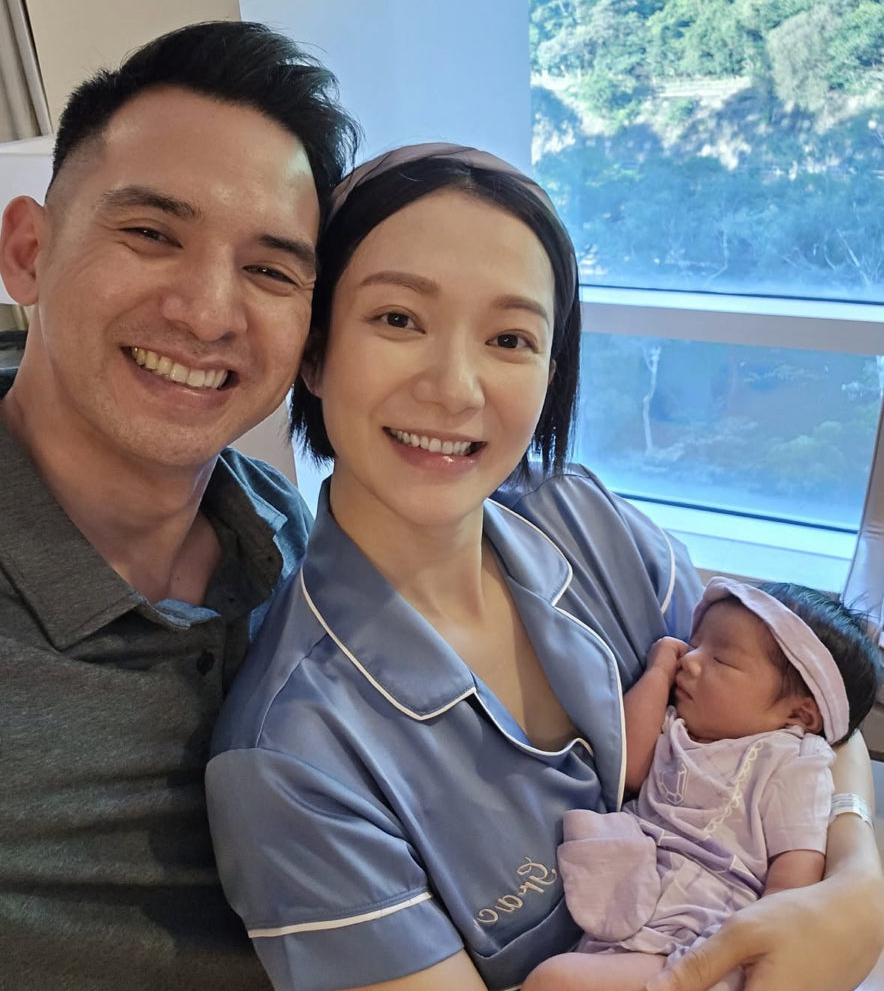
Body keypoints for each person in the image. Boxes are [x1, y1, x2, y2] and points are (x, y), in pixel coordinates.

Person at [206, 143, 884, 991]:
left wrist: (856, 885)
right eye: (398, 319)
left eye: (510, 338)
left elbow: (806, 690)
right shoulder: (293, 762)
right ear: (315, 350)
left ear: (551, 370)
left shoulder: (583, 520)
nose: (456, 388)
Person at [0, 21, 359, 990]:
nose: (206, 312)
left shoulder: (286, 532)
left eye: (270, 270)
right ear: (27, 251)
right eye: (152, 234)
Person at [523, 577, 881, 991]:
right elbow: (629, 767)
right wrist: (658, 671)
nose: (689, 661)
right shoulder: (677, 725)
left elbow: (795, 871)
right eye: (694, 645)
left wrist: (763, 941)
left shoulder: (789, 762)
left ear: (799, 715)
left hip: (708, 939)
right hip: (633, 913)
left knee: (556, 980)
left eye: (721, 660)